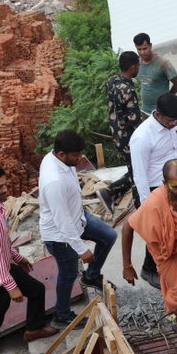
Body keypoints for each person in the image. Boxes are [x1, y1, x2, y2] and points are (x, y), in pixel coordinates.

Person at [0, 166, 57, 354]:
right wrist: (10, 286)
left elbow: (1, 244)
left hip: (3, 267)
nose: (5, 190)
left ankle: (33, 330)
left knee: (36, 289)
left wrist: (18, 258)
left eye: (5, 185)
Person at [122, 159, 177, 340]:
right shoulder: (154, 203)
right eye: (176, 187)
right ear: (165, 183)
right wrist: (127, 266)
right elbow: (127, 228)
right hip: (167, 251)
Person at [39, 130, 118, 328]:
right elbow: (62, 221)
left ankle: (91, 276)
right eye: (75, 155)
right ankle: (62, 316)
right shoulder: (54, 181)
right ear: (61, 154)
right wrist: (81, 249)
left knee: (108, 236)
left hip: (79, 217)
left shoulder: (59, 159)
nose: (80, 158)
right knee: (68, 275)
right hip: (60, 235)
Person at [130, 92, 177, 288]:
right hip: (154, 189)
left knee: (175, 228)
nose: (175, 124)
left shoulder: (171, 125)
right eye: (171, 120)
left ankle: (172, 260)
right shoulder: (142, 137)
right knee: (157, 232)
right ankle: (148, 269)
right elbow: (139, 175)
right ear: (158, 114)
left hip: (173, 185)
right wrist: (148, 205)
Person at [98, 51, 143, 214]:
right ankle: (141, 209)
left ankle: (109, 193)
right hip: (129, 139)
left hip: (117, 136)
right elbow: (135, 120)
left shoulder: (112, 80)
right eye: (137, 65)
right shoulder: (128, 90)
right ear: (132, 67)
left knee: (133, 169)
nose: (139, 68)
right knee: (138, 174)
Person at [134, 33, 177, 115]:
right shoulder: (138, 63)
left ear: (150, 46)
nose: (142, 52)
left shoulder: (162, 63)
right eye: (139, 49)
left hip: (160, 112)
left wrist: (167, 99)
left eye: (145, 48)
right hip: (144, 110)